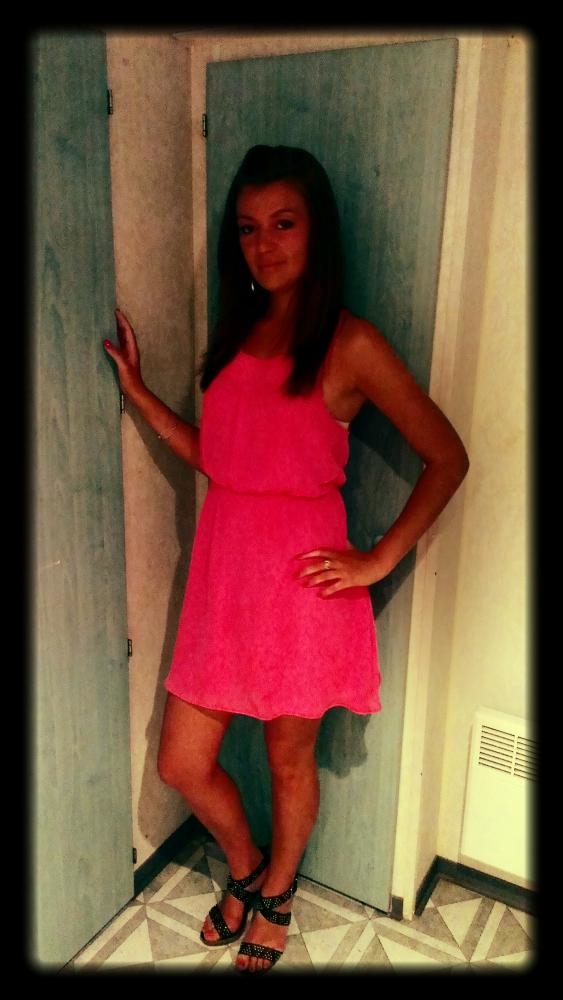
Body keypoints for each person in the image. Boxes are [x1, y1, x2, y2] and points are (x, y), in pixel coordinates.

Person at [103, 144, 469, 975]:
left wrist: (377, 559)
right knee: (182, 763)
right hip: (224, 576)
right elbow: (224, 460)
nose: (263, 245)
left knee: (287, 760)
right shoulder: (238, 332)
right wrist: (140, 394)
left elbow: (446, 456)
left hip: (302, 586)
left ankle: (276, 894)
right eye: (247, 228)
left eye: (282, 224)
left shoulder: (350, 343)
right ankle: (244, 865)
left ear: (315, 231)